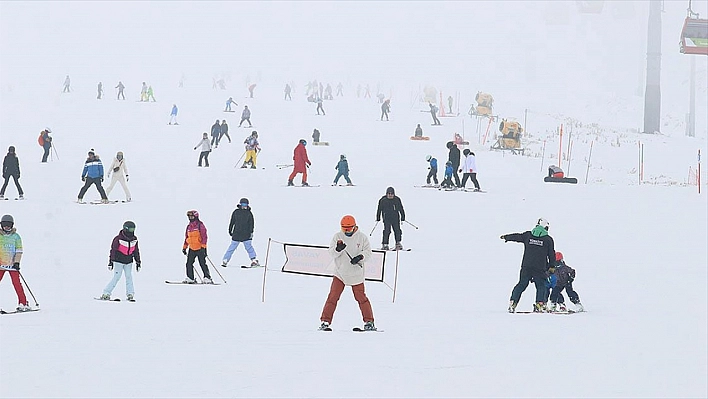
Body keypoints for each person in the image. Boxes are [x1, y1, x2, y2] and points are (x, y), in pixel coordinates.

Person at [318, 215, 375, 331]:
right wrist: (338, 249)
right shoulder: (337, 237)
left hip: (356, 274)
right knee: (332, 297)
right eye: (344, 229)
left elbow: (368, 252)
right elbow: (331, 253)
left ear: (354, 227)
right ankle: (325, 321)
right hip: (340, 273)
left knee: (361, 298)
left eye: (348, 229)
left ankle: (369, 321)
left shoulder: (362, 237)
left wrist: (360, 257)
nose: (346, 231)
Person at [501, 218, 556, 313]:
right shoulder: (548, 239)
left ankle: (513, 302)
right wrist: (552, 266)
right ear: (546, 227)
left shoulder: (528, 235)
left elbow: (517, 237)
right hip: (539, 267)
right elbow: (551, 254)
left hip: (526, 266)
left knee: (521, 284)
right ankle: (540, 304)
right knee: (541, 286)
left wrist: (507, 237)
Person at [99, 221, 141, 301]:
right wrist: (110, 262)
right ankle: (106, 293)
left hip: (129, 261)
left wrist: (138, 262)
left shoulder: (134, 239)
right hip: (118, 261)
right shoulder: (118, 239)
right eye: (131, 229)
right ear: (126, 229)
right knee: (116, 277)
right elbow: (113, 250)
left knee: (129, 277)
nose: (132, 231)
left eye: (133, 229)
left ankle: (130, 294)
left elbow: (136, 251)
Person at [0, 215, 30, 311]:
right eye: (4, 225)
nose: (7, 227)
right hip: (1, 265)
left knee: (17, 284)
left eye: (9, 225)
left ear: (12, 225)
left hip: (12, 265)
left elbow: (19, 251)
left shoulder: (16, 237)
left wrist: (17, 262)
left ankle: (23, 303)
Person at [221, 198, 260, 267]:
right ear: (240, 204)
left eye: (245, 205)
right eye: (242, 204)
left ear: (248, 205)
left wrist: (251, 233)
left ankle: (253, 259)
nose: (244, 206)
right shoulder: (236, 212)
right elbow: (232, 222)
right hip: (237, 233)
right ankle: (225, 260)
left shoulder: (249, 213)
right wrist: (230, 230)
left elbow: (251, 224)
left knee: (249, 247)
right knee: (232, 247)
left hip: (246, 234)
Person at [182, 210, 212, 284]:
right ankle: (190, 278)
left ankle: (207, 277)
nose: (190, 218)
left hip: (200, 248)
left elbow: (204, 237)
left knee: (202, 263)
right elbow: (186, 237)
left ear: (196, 217)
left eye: (192, 216)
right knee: (189, 263)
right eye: (189, 217)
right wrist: (184, 247)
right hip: (192, 248)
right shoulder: (189, 227)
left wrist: (203, 247)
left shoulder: (200, 225)